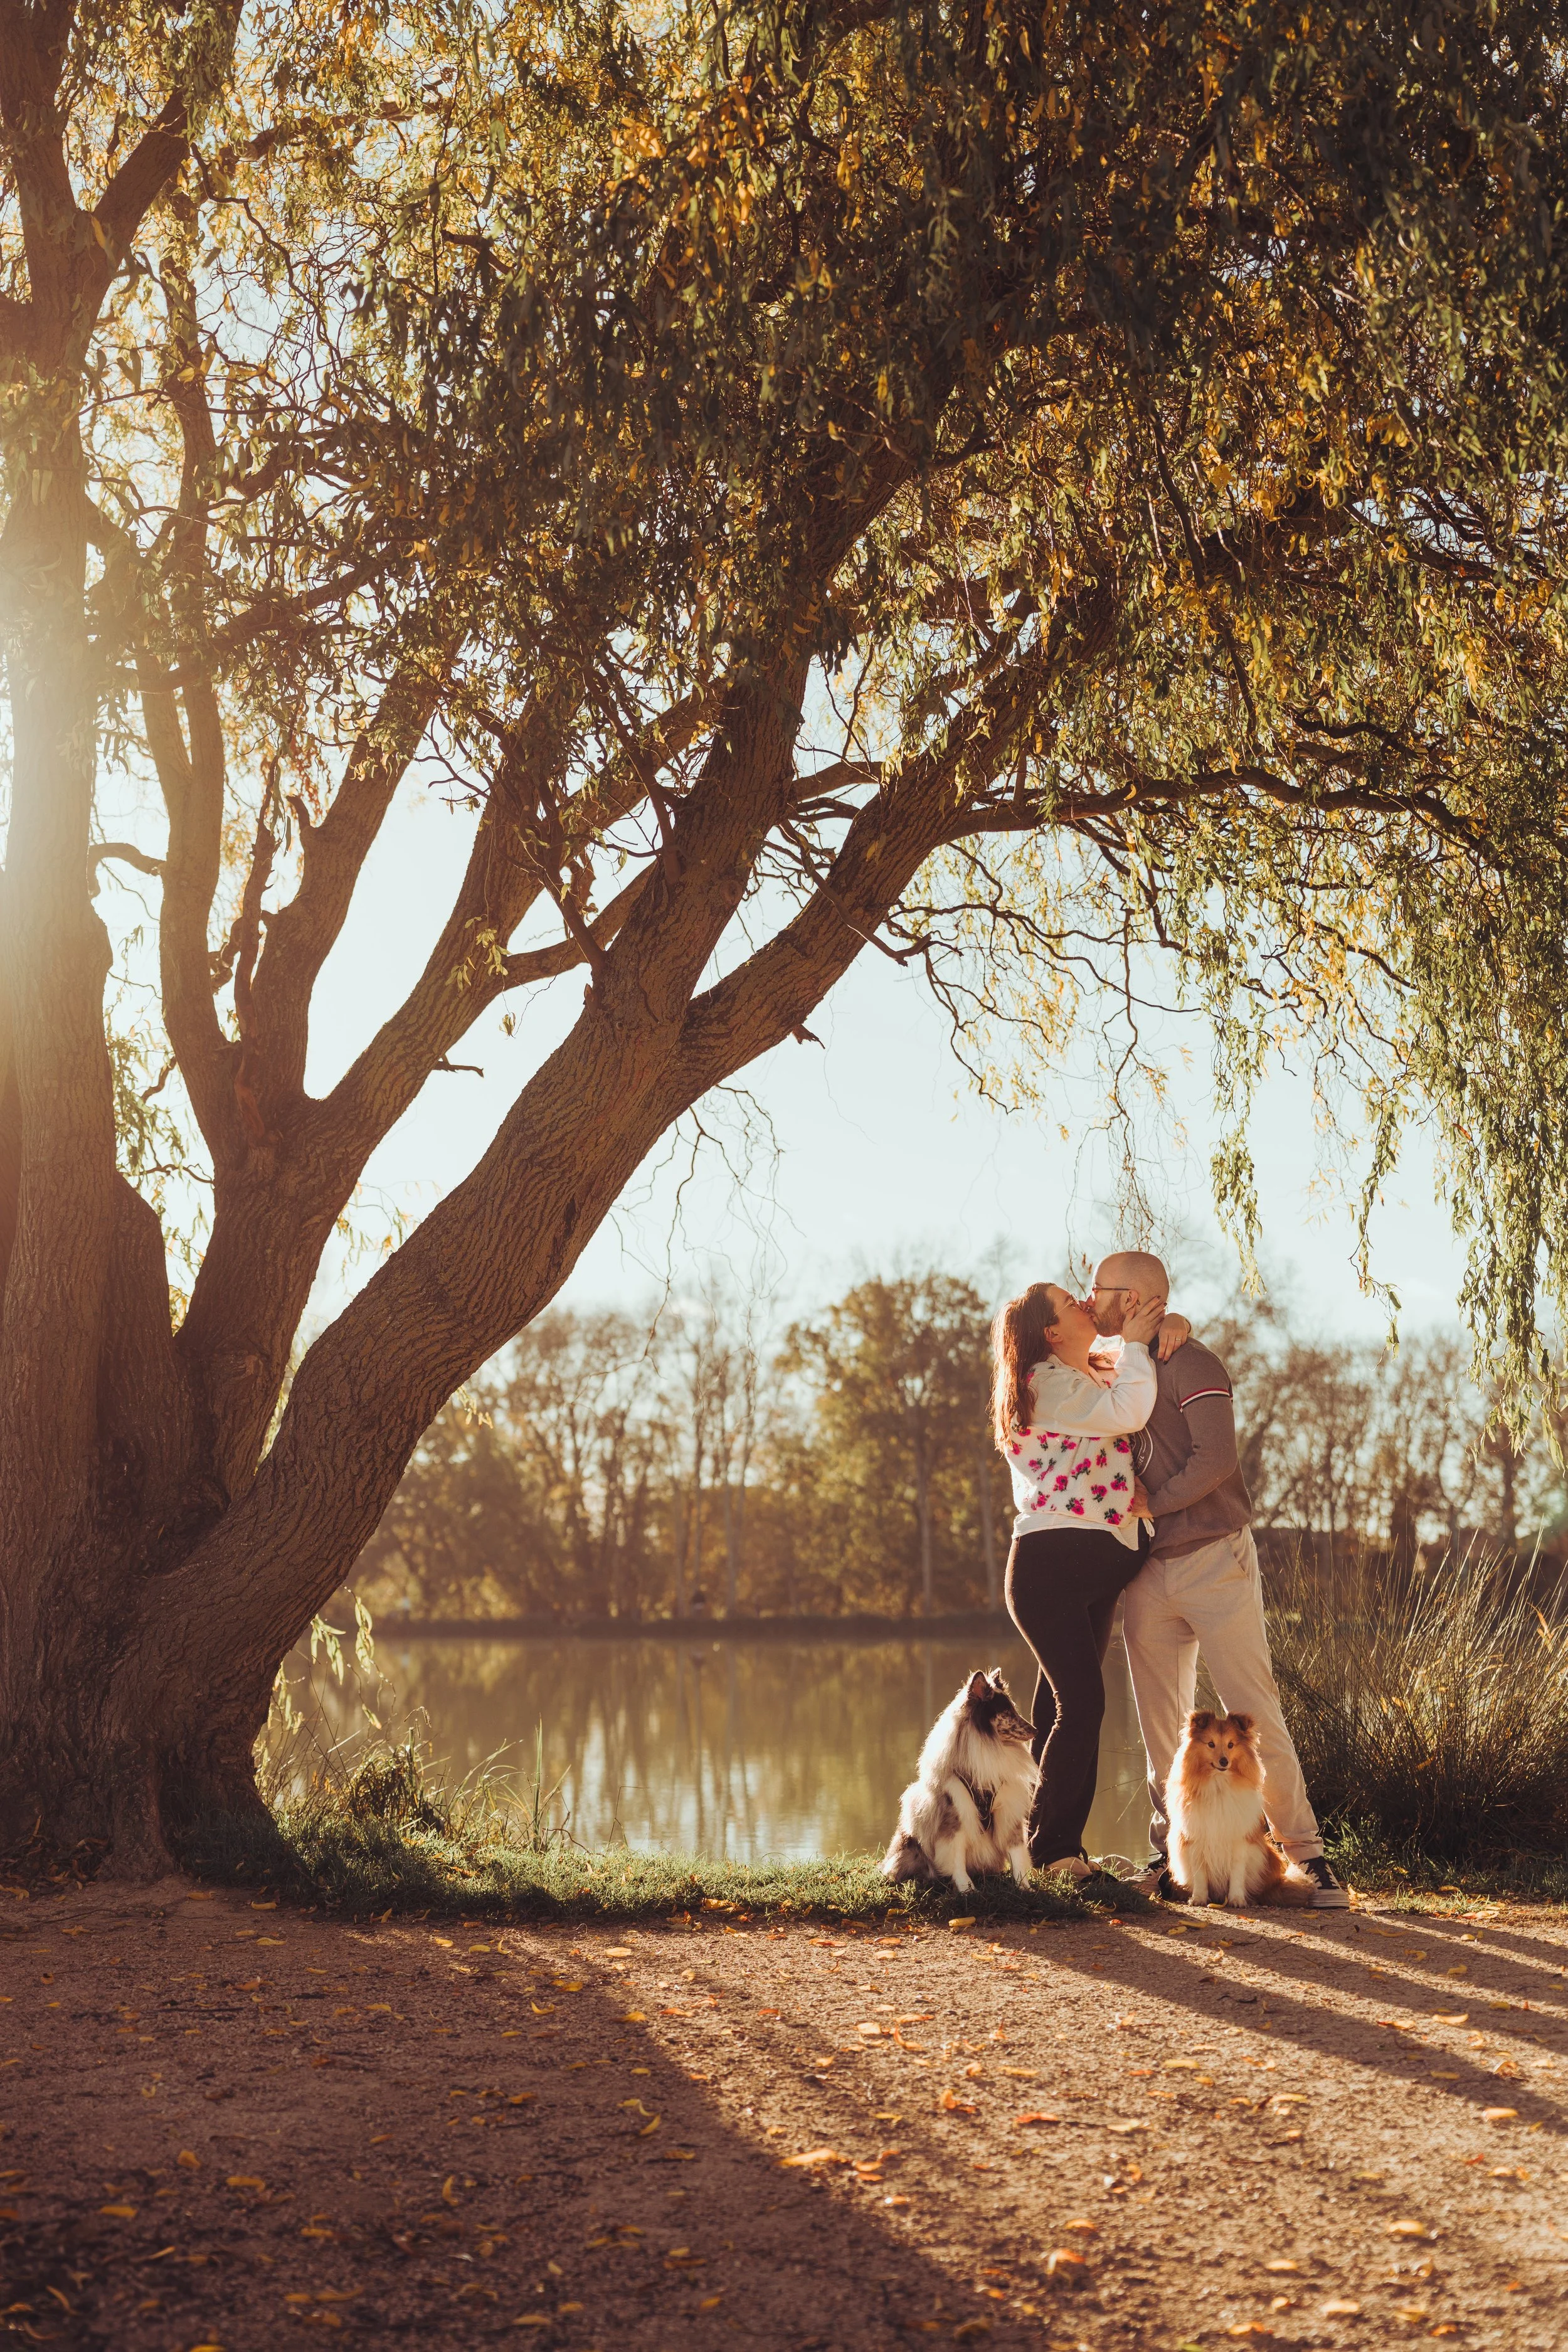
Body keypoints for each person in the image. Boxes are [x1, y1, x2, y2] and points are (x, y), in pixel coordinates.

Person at [1084, 1249, 1349, 1909]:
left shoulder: (1193, 1362)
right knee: (1161, 1728)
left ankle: (1307, 1857)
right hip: (1145, 1569)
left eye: (1101, 1291)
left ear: (1137, 1298)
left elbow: (1215, 1459)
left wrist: (1151, 1502)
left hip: (1213, 1560)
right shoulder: (1114, 1366)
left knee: (1254, 1712)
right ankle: (1174, 1853)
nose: (1090, 1301)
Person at [990, 1280, 1168, 1884]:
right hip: (1052, 1570)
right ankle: (1055, 1852)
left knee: (1056, 1708)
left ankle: (1035, 1848)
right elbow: (1130, 1409)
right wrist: (1139, 1345)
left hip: (1081, 1568)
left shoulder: (1083, 1372)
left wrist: (1170, 1329)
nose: (1087, 1306)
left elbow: (1131, 1363)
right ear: (1050, 1333)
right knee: (1082, 1704)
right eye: (1073, 1304)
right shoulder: (1048, 1383)